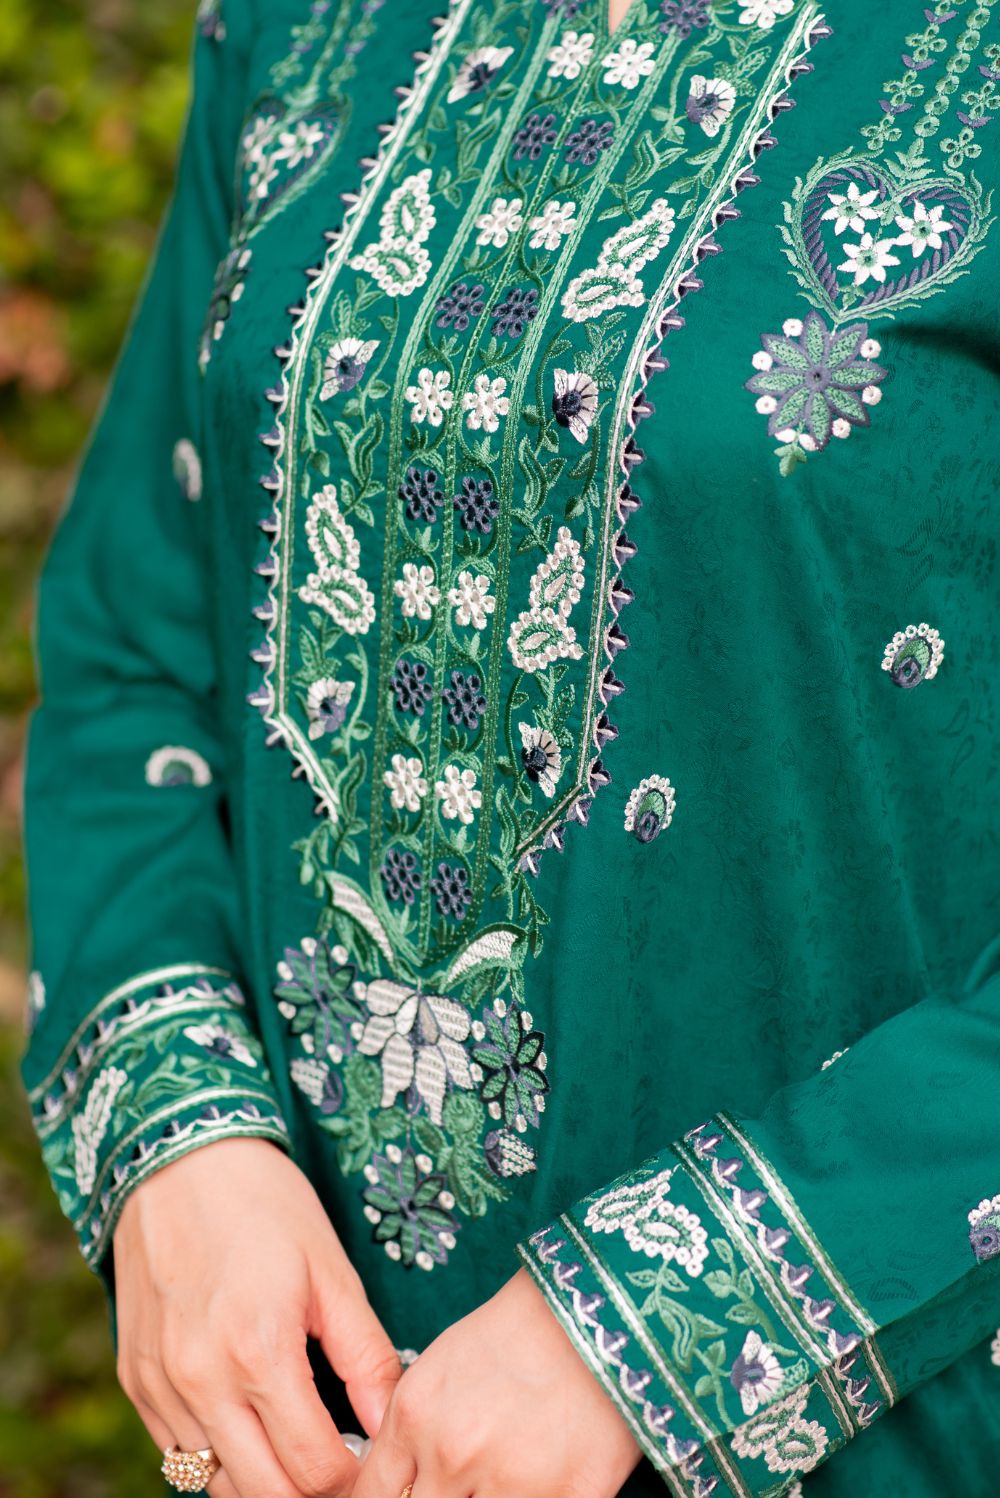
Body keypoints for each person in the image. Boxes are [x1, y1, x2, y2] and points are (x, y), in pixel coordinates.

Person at [21, 0, 1000, 1493]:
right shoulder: (299, 26)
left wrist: (660, 1321)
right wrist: (182, 1141)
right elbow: (137, 640)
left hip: (872, 1411)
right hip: (316, 1427)